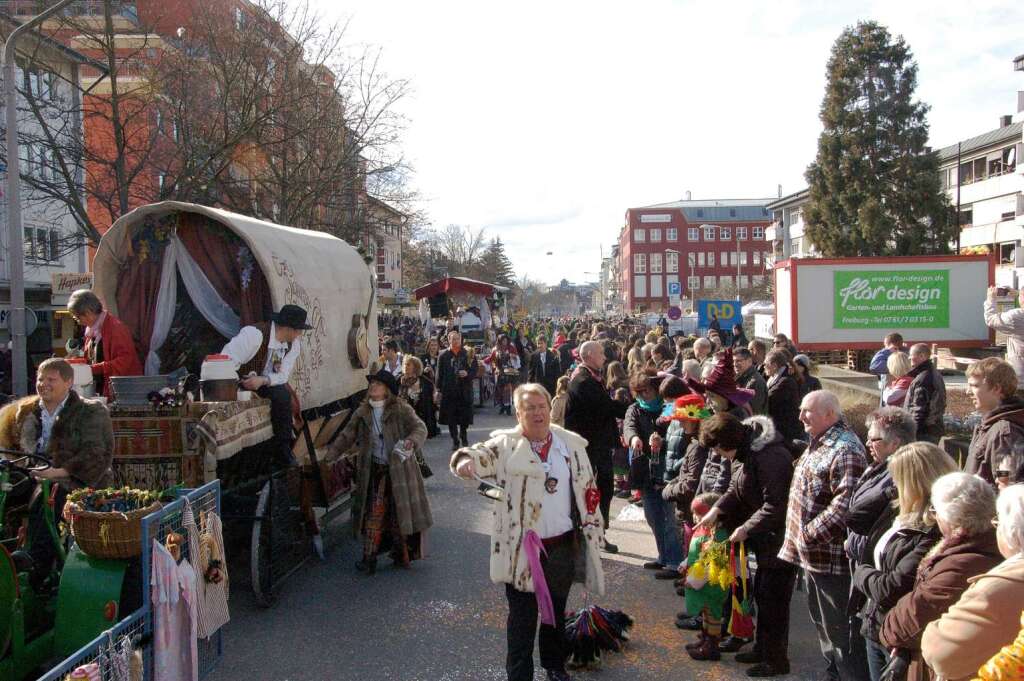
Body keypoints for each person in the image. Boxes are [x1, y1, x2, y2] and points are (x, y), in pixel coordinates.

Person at [451, 383, 606, 681]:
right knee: (522, 620)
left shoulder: (570, 446)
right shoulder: (507, 446)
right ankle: (519, 675)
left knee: (555, 615)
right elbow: (476, 453)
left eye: (541, 406)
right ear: (518, 414)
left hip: (561, 545)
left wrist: (593, 528)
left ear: (550, 409)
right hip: (522, 551)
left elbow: (588, 491)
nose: (537, 413)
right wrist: (464, 461)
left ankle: (554, 667)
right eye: (529, 408)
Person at [695, 413, 797, 677]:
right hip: (765, 537)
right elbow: (735, 489)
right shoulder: (747, 453)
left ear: (729, 441)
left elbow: (775, 505)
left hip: (778, 537)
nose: (718, 454)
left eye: (718, 448)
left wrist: (745, 528)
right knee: (763, 595)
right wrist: (715, 510)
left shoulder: (769, 456)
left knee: (774, 600)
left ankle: (775, 660)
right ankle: (762, 649)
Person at [779, 390, 868, 681]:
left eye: (808, 411)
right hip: (812, 557)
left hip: (829, 559)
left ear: (830, 414)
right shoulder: (818, 442)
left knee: (840, 633)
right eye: (801, 410)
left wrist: (806, 535)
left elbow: (844, 505)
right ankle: (834, 673)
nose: (801, 416)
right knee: (824, 628)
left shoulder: (845, 449)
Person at [0, 358, 114, 585]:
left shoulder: (90, 411)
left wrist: (58, 472)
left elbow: (97, 456)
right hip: (31, 473)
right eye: (41, 379)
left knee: (47, 498)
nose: (44, 384)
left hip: (74, 480)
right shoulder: (25, 411)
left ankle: (36, 566)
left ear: (68, 382)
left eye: (51, 379)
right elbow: (11, 449)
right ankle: (8, 553)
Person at [879, 473, 1002, 681]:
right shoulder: (977, 547)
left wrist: (890, 628)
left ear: (952, 518)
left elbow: (905, 624)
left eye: (935, 511)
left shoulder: (962, 564)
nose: (934, 517)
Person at [849, 443, 956, 681]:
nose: (892, 484)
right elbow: (855, 517)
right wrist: (887, 492)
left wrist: (859, 573)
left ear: (915, 481)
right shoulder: (899, 512)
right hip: (875, 627)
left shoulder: (934, 529)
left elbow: (892, 588)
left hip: (901, 640)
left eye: (897, 478)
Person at [326, 367, 431, 575]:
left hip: (401, 472)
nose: (373, 386)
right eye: (372, 383)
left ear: (387, 390)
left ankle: (401, 553)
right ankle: (369, 559)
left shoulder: (400, 409)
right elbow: (347, 435)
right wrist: (330, 457)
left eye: (378, 384)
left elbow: (420, 428)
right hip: (375, 470)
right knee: (374, 514)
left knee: (397, 514)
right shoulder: (363, 412)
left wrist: (410, 441)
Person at [920, 483, 1024, 681]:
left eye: (999, 523)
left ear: (1013, 532)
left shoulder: (997, 586)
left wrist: (933, 629)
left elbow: (940, 653)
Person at [221, 304, 311, 468]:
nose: (299, 335)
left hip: (263, 382)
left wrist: (263, 380)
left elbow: (282, 375)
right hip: (239, 381)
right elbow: (225, 361)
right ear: (288, 328)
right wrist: (240, 383)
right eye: (298, 331)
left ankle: (282, 448)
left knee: (283, 396)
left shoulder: (293, 345)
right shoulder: (254, 335)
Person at [564, 340, 629, 553]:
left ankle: (598, 533)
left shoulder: (590, 376)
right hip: (589, 447)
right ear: (589, 355)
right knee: (591, 491)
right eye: (601, 353)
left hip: (597, 445)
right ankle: (587, 535)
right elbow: (606, 407)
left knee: (604, 488)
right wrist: (631, 408)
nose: (604, 357)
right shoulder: (583, 381)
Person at [623, 372, 682, 580]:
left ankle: (675, 562)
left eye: (646, 390)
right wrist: (634, 439)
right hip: (646, 470)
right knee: (652, 515)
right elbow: (628, 427)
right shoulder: (635, 409)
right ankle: (663, 556)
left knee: (669, 517)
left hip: (667, 469)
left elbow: (677, 436)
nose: (643, 395)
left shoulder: (668, 406)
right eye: (638, 392)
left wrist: (661, 442)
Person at [846, 407, 915, 566]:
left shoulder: (900, 476)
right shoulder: (878, 467)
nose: (867, 443)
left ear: (894, 443)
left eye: (873, 439)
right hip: (862, 559)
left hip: (874, 564)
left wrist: (853, 545)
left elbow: (879, 524)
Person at [67, 288, 143, 398]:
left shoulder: (116, 328)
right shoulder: (93, 330)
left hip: (123, 392)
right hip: (103, 389)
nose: (78, 321)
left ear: (88, 312)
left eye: (77, 317)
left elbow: (125, 361)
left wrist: (93, 368)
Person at [682, 492, 732, 662]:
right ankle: (704, 639)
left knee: (713, 615)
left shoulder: (717, 536)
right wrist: (685, 563)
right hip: (702, 585)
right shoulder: (704, 530)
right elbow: (696, 552)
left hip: (711, 585)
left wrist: (693, 581)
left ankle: (712, 646)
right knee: (706, 614)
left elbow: (711, 564)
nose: (695, 517)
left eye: (698, 514)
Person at [965, 357, 1024, 486]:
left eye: (975, 385)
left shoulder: (1004, 433)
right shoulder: (989, 424)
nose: (967, 392)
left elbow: (1006, 483)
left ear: (996, 388)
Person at [436, 331, 478, 450]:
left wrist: (467, 373)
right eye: (453, 339)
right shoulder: (443, 355)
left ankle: (463, 434)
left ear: (461, 339)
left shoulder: (468, 353)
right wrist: (438, 390)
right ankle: (455, 439)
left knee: (464, 416)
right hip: (449, 390)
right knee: (451, 418)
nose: (455, 341)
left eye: (457, 338)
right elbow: (439, 374)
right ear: (448, 340)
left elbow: (474, 370)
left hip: (464, 390)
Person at [903, 343, 946, 444]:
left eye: (911, 355)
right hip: (931, 429)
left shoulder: (924, 378)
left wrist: (912, 432)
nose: (909, 358)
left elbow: (919, 410)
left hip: (924, 433)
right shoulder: (931, 373)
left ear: (922, 356)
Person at [984, 286, 1024, 385]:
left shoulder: (1016, 317)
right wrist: (1018, 293)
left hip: (1020, 376)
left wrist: (991, 299)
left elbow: (990, 319)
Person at [764, 349, 803, 444]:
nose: (764, 366)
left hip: (787, 430)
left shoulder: (785, 381)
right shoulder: (775, 378)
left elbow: (768, 399)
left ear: (774, 366)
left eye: (766, 364)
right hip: (781, 427)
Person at [400, 355, 438, 439]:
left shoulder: (425, 381)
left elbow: (431, 401)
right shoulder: (399, 380)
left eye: (408, 364)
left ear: (415, 367)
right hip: (405, 417)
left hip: (422, 417)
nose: (406, 366)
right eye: (405, 364)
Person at [734, 348, 767, 415]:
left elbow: (752, 412)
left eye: (738, 361)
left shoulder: (756, 382)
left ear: (749, 361)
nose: (735, 364)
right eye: (733, 361)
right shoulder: (739, 377)